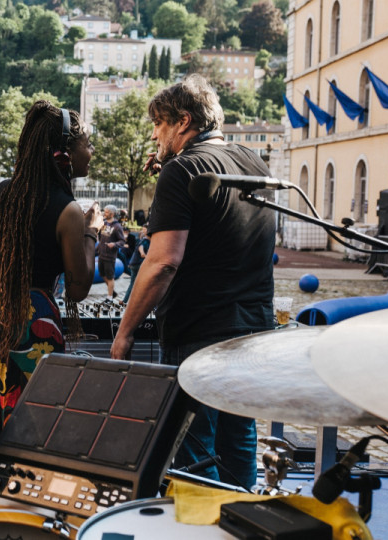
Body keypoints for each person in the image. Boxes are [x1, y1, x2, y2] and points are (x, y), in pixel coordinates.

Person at [110, 75, 275, 490]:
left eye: (159, 124)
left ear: (183, 122)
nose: (154, 133)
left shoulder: (183, 168)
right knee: (239, 439)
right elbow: (218, 232)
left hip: (198, 331)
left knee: (192, 450)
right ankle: (239, 523)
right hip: (253, 328)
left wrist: (125, 332)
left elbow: (163, 262)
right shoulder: (255, 163)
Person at [0, 101, 102, 443]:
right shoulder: (69, 211)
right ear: (63, 152)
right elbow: (78, 288)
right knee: (29, 432)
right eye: (87, 144)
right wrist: (92, 232)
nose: (91, 152)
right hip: (29, 325)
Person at [96, 205, 126, 302]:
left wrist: (114, 244)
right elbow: (100, 236)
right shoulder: (103, 223)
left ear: (112, 214)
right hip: (101, 254)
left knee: (110, 277)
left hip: (110, 256)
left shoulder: (117, 227)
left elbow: (122, 241)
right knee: (102, 274)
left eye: (107, 212)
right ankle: (112, 292)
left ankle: (110, 297)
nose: (105, 213)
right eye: (105, 211)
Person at [122, 227, 149, 304]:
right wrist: (148, 257)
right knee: (145, 283)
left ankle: (124, 301)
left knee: (133, 283)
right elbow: (142, 252)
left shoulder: (143, 240)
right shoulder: (145, 241)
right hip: (138, 264)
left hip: (133, 264)